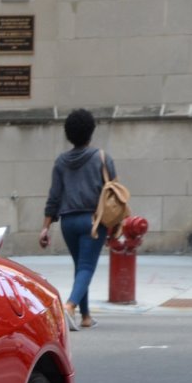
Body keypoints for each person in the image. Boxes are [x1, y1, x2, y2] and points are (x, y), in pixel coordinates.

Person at [40, 107, 115, 330]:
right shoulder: (102, 158)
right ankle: (70, 306)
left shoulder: (61, 161)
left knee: (80, 266)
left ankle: (86, 316)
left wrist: (45, 228)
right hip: (93, 221)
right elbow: (115, 192)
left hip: (68, 223)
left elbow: (54, 197)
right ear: (91, 132)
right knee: (86, 267)